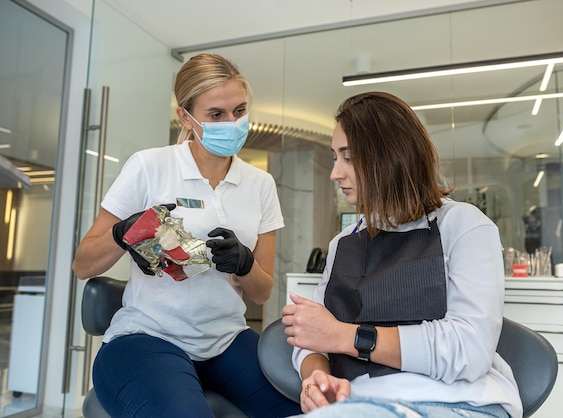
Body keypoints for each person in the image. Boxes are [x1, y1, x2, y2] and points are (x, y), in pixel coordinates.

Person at [72, 53, 301, 418]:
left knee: (302, 409)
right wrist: (121, 234)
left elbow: (262, 291)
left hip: (227, 339)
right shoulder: (150, 166)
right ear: (186, 117)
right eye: (216, 114)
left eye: (240, 111)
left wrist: (244, 263)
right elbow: (83, 265)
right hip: (147, 337)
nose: (233, 122)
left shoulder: (261, 184)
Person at [281, 92, 523, 418]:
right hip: (360, 401)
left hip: (455, 400)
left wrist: (344, 336)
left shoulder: (464, 225)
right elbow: (314, 338)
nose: (335, 173)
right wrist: (314, 380)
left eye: (348, 157)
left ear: (389, 157)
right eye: (335, 157)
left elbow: (468, 350)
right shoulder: (343, 243)